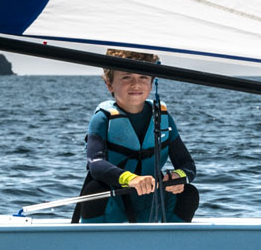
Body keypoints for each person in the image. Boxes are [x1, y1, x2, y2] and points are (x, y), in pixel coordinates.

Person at [73, 49, 200, 223]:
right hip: (115, 201)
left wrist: (178, 177)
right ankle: (96, 242)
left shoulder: (163, 118)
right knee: (95, 189)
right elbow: (96, 165)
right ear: (110, 84)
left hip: (152, 203)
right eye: (126, 77)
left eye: (143, 77)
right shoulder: (102, 118)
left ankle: (171, 242)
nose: (136, 84)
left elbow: (188, 165)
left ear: (151, 83)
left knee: (189, 192)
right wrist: (131, 179)